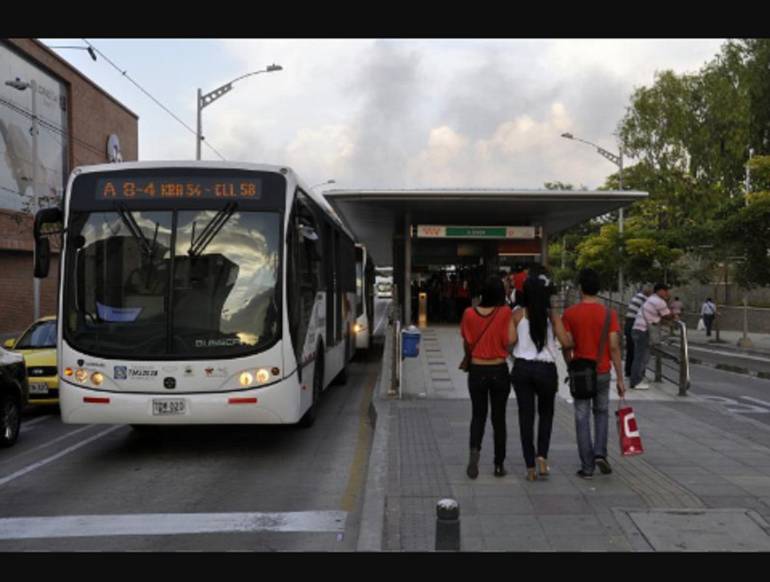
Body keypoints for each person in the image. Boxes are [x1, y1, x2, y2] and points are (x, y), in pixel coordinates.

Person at [561, 268, 626, 479]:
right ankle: (600, 452)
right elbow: (615, 346)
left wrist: (569, 364)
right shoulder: (610, 314)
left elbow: (566, 344)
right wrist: (620, 377)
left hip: (581, 373)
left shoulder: (570, 314)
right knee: (601, 412)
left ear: (580, 288)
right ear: (598, 289)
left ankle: (587, 466)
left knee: (581, 416)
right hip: (603, 371)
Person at [510, 270, 572, 481]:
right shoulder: (552, 316)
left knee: (525, 417)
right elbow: (566, 343)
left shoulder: (517, 315)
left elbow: (509, 341)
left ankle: (529, 467)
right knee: (546, 414)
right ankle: (542, 457)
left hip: (522, 369)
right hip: (546, 369)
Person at [460, 276, 517, 479]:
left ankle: (474, 455)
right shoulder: (505, 312)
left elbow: (466, 343)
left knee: (478, 416)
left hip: (476, 370)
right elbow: (511, 340)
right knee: (498, 418)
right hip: (498, 370)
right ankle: (499, 464)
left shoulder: (468, 313)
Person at [630, 283, 678, 390]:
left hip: (639, 329)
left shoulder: (651, 299)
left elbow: (660, 316)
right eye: (665, 291)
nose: (667, 293)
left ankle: (638, 378)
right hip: (643, 331)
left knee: (643, 356)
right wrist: (674, 315)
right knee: (640, 357)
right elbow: (667, 315)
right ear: (659, 291)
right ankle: (635, 381)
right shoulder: (658, 301)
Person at [624, 285, 653, 379]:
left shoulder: (637, 296)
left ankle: (628, 371)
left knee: (630, 349)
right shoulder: (645, 299)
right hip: (635, 324)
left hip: (628, 322)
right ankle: (636, 374)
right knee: (638, 351)